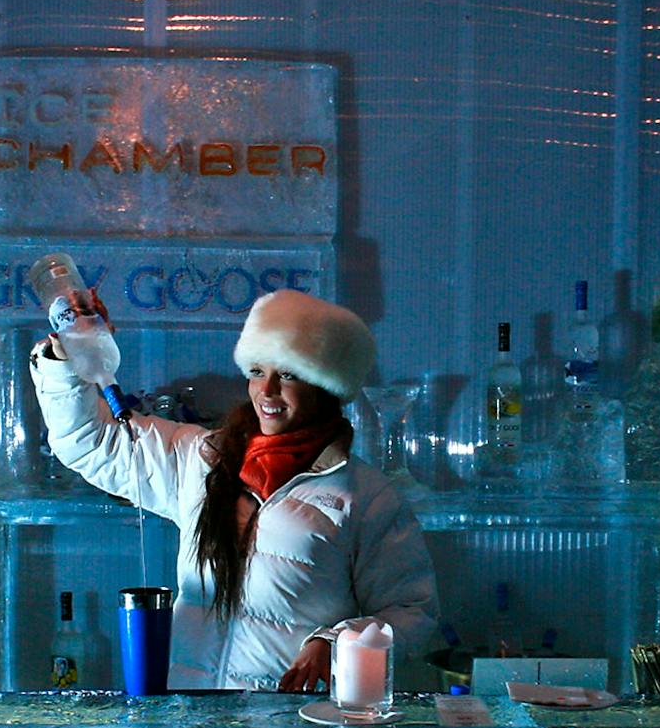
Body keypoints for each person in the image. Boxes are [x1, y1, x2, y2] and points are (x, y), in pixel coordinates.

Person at [31, 287, 438, 691]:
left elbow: (413, 615)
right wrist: (70, 357)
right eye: (258, 371)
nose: (267, 391)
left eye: (289, 375)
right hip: (191, 725)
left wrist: (335, 644)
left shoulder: (366, 495)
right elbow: (89, 441)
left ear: (325, 386)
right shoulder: (202, 461)